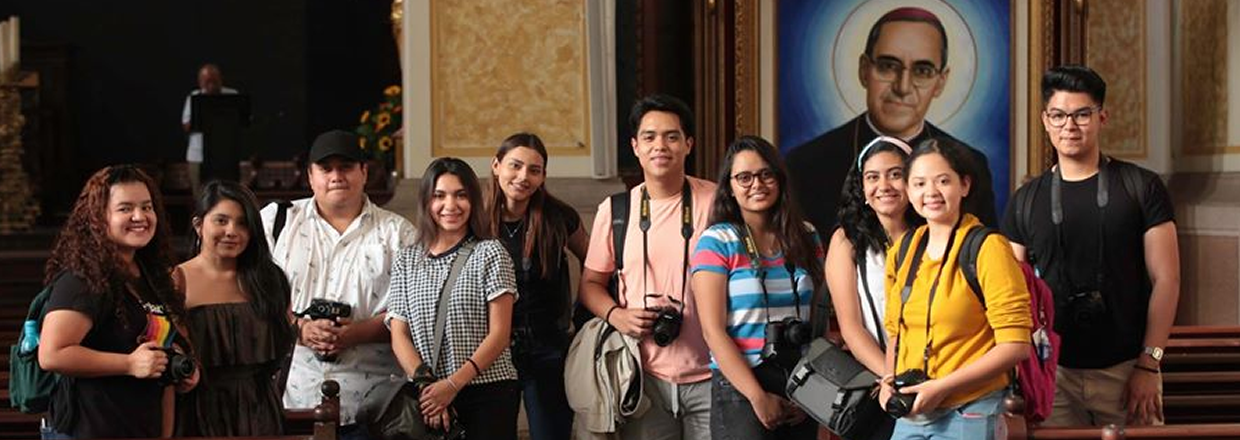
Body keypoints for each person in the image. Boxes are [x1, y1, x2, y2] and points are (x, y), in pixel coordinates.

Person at [1001, 65, 1179, 427]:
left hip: (1128, 368)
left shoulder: (1140, 187)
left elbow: (1167, 279)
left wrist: (1149, 363)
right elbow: (1011, 294)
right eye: (1059, 115)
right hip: (1055, 374)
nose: (1070, 125)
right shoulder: (1025, 200)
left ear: (1102, 117)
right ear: (1045, 120)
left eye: (1082, 114)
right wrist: (1025, 372)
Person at [786, 6, 997, 237]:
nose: (902, 87)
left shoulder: (970, 164)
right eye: (888, 66)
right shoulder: (807, 163)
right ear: (864, 70)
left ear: (940, 82)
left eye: (922, 71)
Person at [262, 130, 417, 440]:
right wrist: (300, 329)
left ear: (364, 172)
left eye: (346, 167)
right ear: (310, 176)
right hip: (291, 398)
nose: (336, 176)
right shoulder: (277, 222)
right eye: (325, 168)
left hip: (373, 404)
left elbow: (416, 312)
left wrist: (356, 333)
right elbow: (249, 297)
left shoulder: (398, 234)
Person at [579, 94, 716, 440]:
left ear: (688, 144)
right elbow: (590, 284)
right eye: (649, 137)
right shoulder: (616, 211)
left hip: (714, 374)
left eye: (672, 136)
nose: (661, 146)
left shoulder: (716, 203)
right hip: (642, 377)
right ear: (635, 146)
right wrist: (617, 315)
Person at [879, 138, 1030, 440]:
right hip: (913, 411)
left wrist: (943, 387)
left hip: (972, 409)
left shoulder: (988, 248)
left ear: (964, 185)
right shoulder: (904, 250)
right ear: (908, 191)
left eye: (943, 181)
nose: (931, 193)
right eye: (919, 183)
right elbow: (897, 332)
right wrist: (887, 381)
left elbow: (1016, 345)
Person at [38, 165, 197, 439]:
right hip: (88, 430)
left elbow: (158, 353)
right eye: (125, 208)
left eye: (147, 207)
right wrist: (129, 364)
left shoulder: (151, 277)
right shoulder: (82, 279)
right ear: (99, 218)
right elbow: (52, 354)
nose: (140, 216)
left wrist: (181, 371)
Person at [690, 136, 822, 440]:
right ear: (730, 188)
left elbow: (818, 320)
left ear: (779, 179)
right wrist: (756, 396)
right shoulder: (717, 241)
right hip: (740, 386)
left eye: (766, 174)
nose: (757, 184)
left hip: (799, 382)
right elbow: (712, 331)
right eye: (744, 177)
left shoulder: (807, 235)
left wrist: (812, 392)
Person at [387, 158, 521, 439]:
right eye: (439, 195)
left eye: (461, 195)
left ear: (473, 200)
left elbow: (499, 335)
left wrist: (452, 385)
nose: (451, 205)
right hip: (429, 395)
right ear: (426, 201)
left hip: (487, 392)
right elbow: (399, 334)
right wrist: (429, 388)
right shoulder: (407, 259)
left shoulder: (490, 253)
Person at [486, 133, 589, 440]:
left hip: (547, 347)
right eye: (514, 166)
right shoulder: (475, 217)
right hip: (490, 350)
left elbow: (596, 264)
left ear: (543, 175)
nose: (523, 177)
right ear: (496, 166)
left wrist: (580, 315)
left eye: (534, 170)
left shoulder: (559, 216)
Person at [174, 180, 296, 436]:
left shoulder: (269, 279)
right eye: (221, 221)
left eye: (242, 223)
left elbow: (283, 348)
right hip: (197, 409)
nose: (232, 231)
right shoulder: (176, 280)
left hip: (259, 409)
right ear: (198, 225)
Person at [823, 136, 921, 440]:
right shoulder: (847, 240)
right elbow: (851, 328)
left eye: (895, 174)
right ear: (862, 188)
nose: (885, 185)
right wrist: (891, 380)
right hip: (876, 381)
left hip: (933, 379)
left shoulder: (933, 235)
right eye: (872, 177)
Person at [181, 63, 239, 196]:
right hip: (198, 156)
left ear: (220, 79)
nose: (211, 84)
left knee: (227, 194)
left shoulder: (232, 96)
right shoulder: (194, 97)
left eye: (214, 80)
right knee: (200, 194)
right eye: (207, 81)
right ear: (200, 81)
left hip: (225, 156)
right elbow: (186, 125)